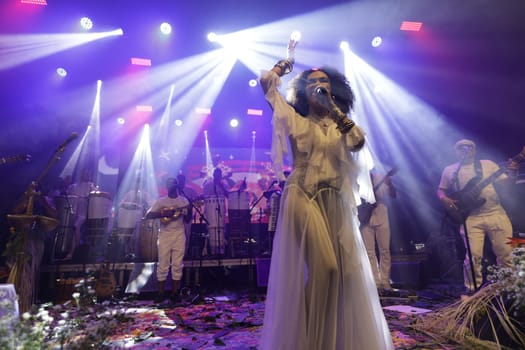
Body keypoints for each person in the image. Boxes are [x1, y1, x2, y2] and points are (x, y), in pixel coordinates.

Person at [258, 56, 394, 348]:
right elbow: (266, 83)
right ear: (303, 92)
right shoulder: (293, 118)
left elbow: (358, 143)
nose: (319, 86)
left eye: (324, 82)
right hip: (303, 195)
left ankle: (323, 338)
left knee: (344, 274)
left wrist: (334, 110)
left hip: (336, 202)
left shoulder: (341, 127)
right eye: (312, 83)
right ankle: (307, 339)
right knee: (327, 268)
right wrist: (284, 65)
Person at [437, 139, 519, 292]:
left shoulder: (487, 164)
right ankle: (472, 291)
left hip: (495, 213)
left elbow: (506, 184)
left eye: (469, 147)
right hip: (470, 218)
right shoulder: (450, 170)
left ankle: (508, 290)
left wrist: (513, 172)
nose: (465, 150)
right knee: (473, 257)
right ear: (456, 151)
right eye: (461, 148)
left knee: (505, 254)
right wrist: (445, 199)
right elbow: (440, 190)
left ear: (474, 150)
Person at [144, 177, 190, 303]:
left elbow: (187, 220)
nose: (171, 185)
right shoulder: (161, 201)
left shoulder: (184, 201)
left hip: (179, 235)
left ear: (177, 185)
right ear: (166, 186)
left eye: (173, 183)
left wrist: (189, 210)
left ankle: (175, 294)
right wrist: (163, 214)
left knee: (177, 265)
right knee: (163, 264)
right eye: (168, 183)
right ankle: (160, 294)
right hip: (164, 235)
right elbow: (148, 215)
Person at [360, 167, 397, 293]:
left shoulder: (380, 177)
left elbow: (393, 195)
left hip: (381, 215)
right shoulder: (358, 180)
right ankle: (375, 282)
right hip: (365, 217)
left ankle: (385, 281)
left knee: (385, 250)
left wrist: (389, 183)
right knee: (369, 252)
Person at [202, 167, 230, 256]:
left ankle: (222, 251)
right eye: (216, 175)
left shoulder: (224, 184)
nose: (218, 177)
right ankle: (212, 251)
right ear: (214, 175)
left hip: (221, 212)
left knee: (221, 230)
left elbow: (228, 195)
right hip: (211, 212)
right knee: (212, 230)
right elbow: (204, 197)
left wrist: (221, 186)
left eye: (220, 175)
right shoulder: (208, 184)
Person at [176, 172, 200, 256]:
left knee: (186, 236)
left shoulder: (190, 190)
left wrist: (192, 211)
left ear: (184, 180)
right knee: (177, 236)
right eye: (179, 180)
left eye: (182, 180)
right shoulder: (174, 191)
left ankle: (185, 254)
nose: (181, 181)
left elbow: (197, 201)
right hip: (176, 218)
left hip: (187, 216)